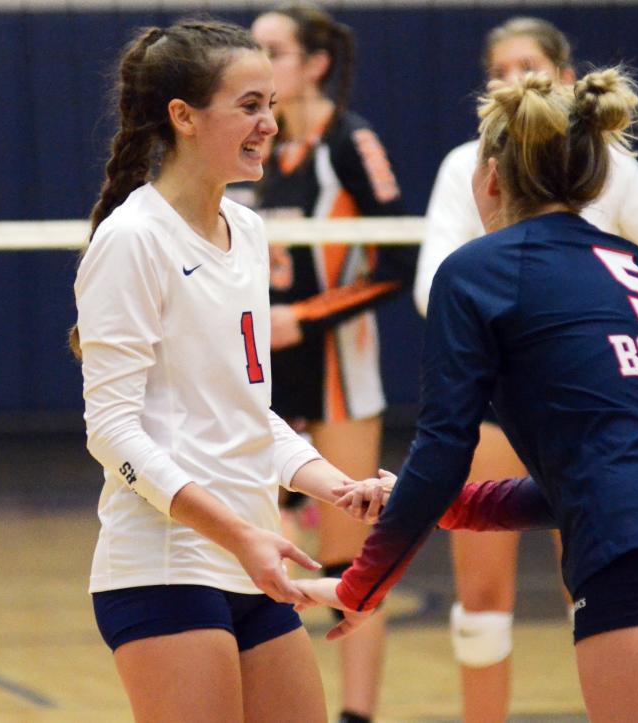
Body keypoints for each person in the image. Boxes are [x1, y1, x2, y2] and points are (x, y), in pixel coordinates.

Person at [298, 68, 638, 723]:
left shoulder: (477, 270)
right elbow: (587, 474)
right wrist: (435, 504)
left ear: (488, 176)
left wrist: (359, 586)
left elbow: (442, 448)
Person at [70, 19, 378, 722]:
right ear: (182, 117)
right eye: (249, 105)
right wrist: (238, 533)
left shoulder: (250, 232)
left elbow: (246, 413)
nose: (270, 123)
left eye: (271, 103)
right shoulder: (134, 240)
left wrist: (336, 486)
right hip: (167, 563)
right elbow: (111, 434)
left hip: (252, 556)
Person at [412, 17, 638, 722]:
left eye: (529, 64)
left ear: (565, 77)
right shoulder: (468, 164)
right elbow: (435, 282)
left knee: (596, 577)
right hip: (504, 391)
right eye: (500, 68)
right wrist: (523, 301)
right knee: (482, 597)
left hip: (587, 393)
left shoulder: (605, 161)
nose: (514, 78)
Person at [248, 4, 417, 722]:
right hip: (264, 372)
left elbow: (398, 259)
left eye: (274, 51)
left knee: (353, 561)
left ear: (315, 63)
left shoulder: (350, 140)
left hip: (339, 370)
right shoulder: (251, 141)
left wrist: (306, 316)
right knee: (262, 551)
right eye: (251, 51)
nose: (261, 63)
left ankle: (356, 715)